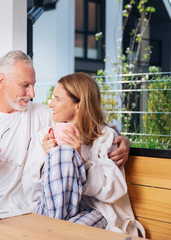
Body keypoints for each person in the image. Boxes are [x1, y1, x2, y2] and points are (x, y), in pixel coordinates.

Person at [0, 50, 130, 212]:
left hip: (17, 207)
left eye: (33, 85)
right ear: (2, 81)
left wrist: (121, 137)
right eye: (25, 85)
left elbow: (82, 119)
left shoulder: (42, 115)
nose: (32, 93)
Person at [23, 72, 144, 237]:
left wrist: (81, 161)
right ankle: (51, 229)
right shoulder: (46, 135)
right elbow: (30, 188)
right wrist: (48, 158)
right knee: (61, 154)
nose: (50, 104)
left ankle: (49, 231)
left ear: (78, 105)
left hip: (95, 209)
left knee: (65, 233)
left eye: (57, 99)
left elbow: (113, 190)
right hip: (49, 209)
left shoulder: (106, 136)